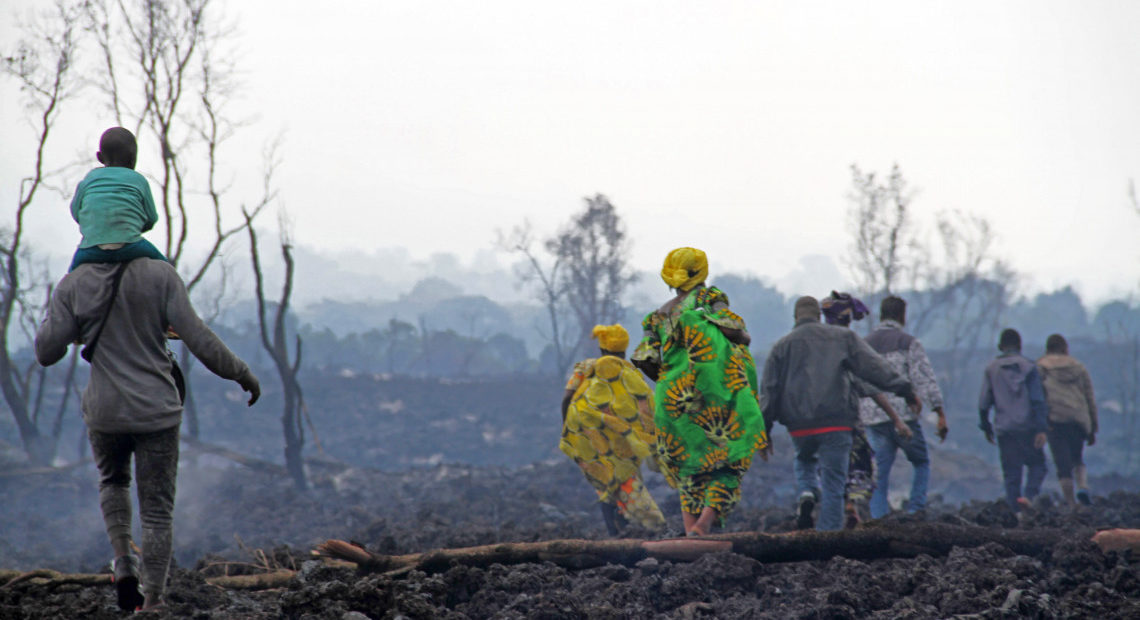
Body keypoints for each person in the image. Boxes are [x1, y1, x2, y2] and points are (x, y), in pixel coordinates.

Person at [35, 257, 260, 611]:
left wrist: (66, 320)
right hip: (156, 411)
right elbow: (197, 337)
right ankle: (153, 599)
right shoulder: (160, 276)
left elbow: (46, 352)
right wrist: (241, 372)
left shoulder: (74, 282)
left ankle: (124, 562)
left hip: (105, 411)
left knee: (113, 481)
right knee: (156, 511)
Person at [631, 247, 768, 537]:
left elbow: (646, 359)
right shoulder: (708, 299)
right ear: (701, 272)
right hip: (712, 393)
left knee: (689, 466)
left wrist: (673, 378)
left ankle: (692, 533)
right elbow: (735, 330)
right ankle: (704, 524)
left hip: (673, 398)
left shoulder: (657, 317)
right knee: (728, 459)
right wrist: (742, 339)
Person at [760, 296, 919, 531]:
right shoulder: (842, 338)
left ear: (796, 318)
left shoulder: (780, 347)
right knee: (834, 486)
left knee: (804, 458)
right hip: (836, 424)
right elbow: (874, 368)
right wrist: (905, 389)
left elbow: (769, 391)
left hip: (799, 426)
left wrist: (764, 431)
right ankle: (828, 540)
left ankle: (807, 491)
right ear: (818, 316)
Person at [560, 324, 666, 535]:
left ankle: (618, 532)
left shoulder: (585, 368)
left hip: (588, 437)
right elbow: (645, 406)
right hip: (622, 439)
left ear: (601, 348)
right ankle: (650, 527)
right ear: (624, 349)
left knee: (605, 484)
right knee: (626, 480)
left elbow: (566, 398)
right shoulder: (629, 373)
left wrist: (569, 429)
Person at [820, 291, 913, 529]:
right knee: (859, 470)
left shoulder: (817, 345)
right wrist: (898, 417)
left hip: (819, 423)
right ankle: (851, 512)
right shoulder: (849, 345)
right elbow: (871, 385)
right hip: (848, 421)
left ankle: (833, 522)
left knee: (831, 473)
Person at [857, 295, 949, 519]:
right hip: (903, 416)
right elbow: (924, 379)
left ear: (881, 315)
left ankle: (878, 518)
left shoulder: (863, 344)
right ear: (902, 316)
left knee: (879, 471)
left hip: (873, 417)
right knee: (920, 461)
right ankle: (916, 510)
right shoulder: (908, 343)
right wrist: (939, 412)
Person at [69, 127, 167, 272]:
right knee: (166, 269)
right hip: (130, 246)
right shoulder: (138, 180)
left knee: (70, 279)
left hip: (92, 248)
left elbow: (76, 211)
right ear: (134, 157)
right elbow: (151, 218)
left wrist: (93, 227)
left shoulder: (89, 179)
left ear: (100, 157)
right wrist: (132, 227)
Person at [978, 328, 1048, 511]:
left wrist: (986, 426)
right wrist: (1042, 428)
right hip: (1028, 427)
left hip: (1005, 429)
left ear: (1000, 346)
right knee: (1038, 465)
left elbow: (984, 402)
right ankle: (1030, 497)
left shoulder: (991, 369)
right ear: (1020, 345)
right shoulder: (1030, 367)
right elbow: (1037, 399)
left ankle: (1014, 514)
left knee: (1011, 474)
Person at [1037, 333, 1098, 507]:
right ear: (1065, 349)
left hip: (1055, 420)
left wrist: (1039, 424)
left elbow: (1037, 397)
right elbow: (1089, 397)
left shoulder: (1041, 368)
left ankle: (1071, 504)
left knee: (1063, 466)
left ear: (1048, 349)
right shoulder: (1079, 367)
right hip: (1078, 418)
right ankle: (1083, 487)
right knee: (1077, 458)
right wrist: (1093, 427)